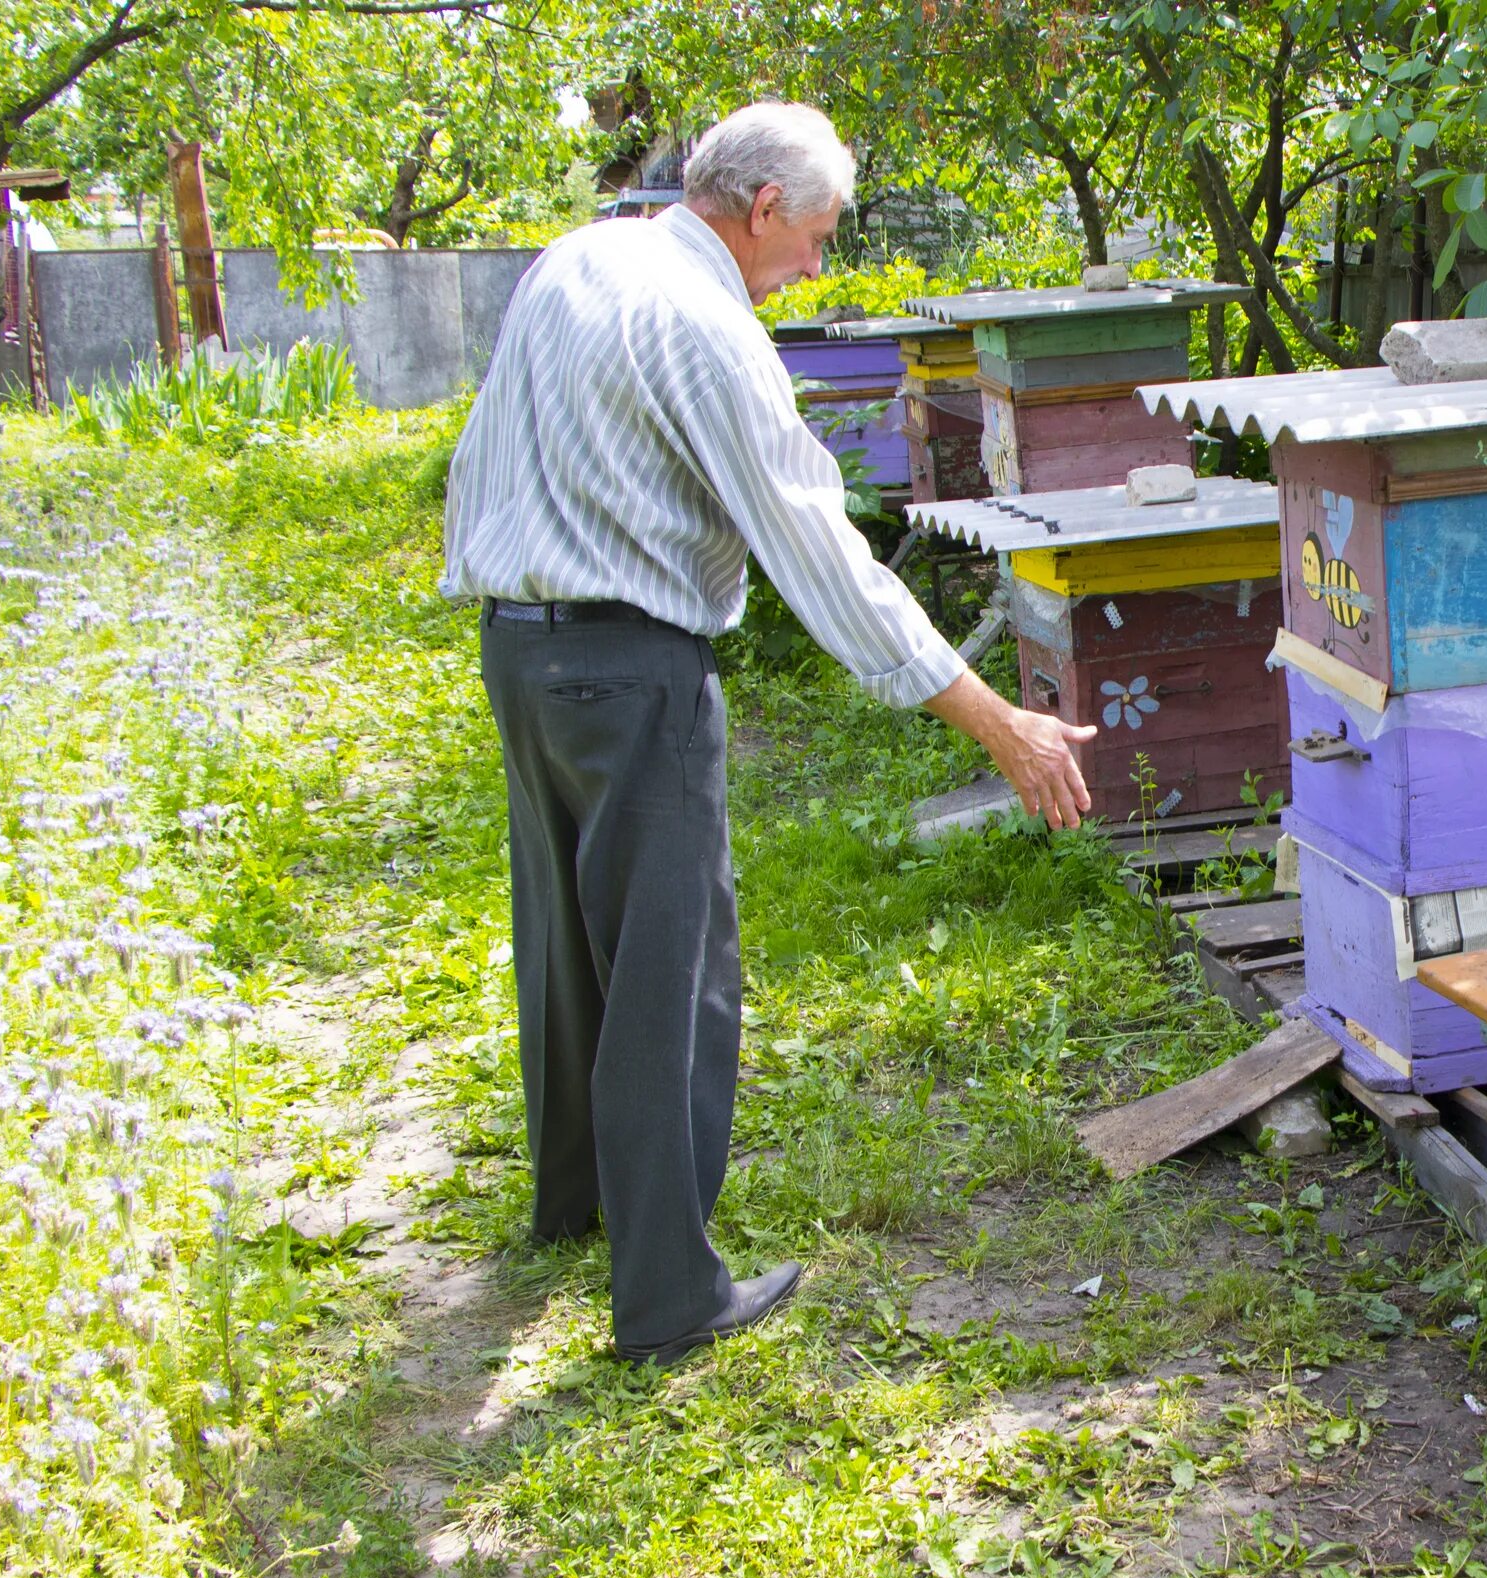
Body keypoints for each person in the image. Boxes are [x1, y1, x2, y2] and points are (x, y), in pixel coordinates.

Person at [439, 102, 1094, 1365]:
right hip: (631, 666)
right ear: (758, 209)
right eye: (818, 233)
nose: (817, 263)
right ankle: (670, 1293)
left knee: (567, 946)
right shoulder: (705, 328)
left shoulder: (582, 257)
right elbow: (821, 554)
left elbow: (486, 451)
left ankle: (573, 1204)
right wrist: (991, 715)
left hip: (521, 644)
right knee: (670, 974)